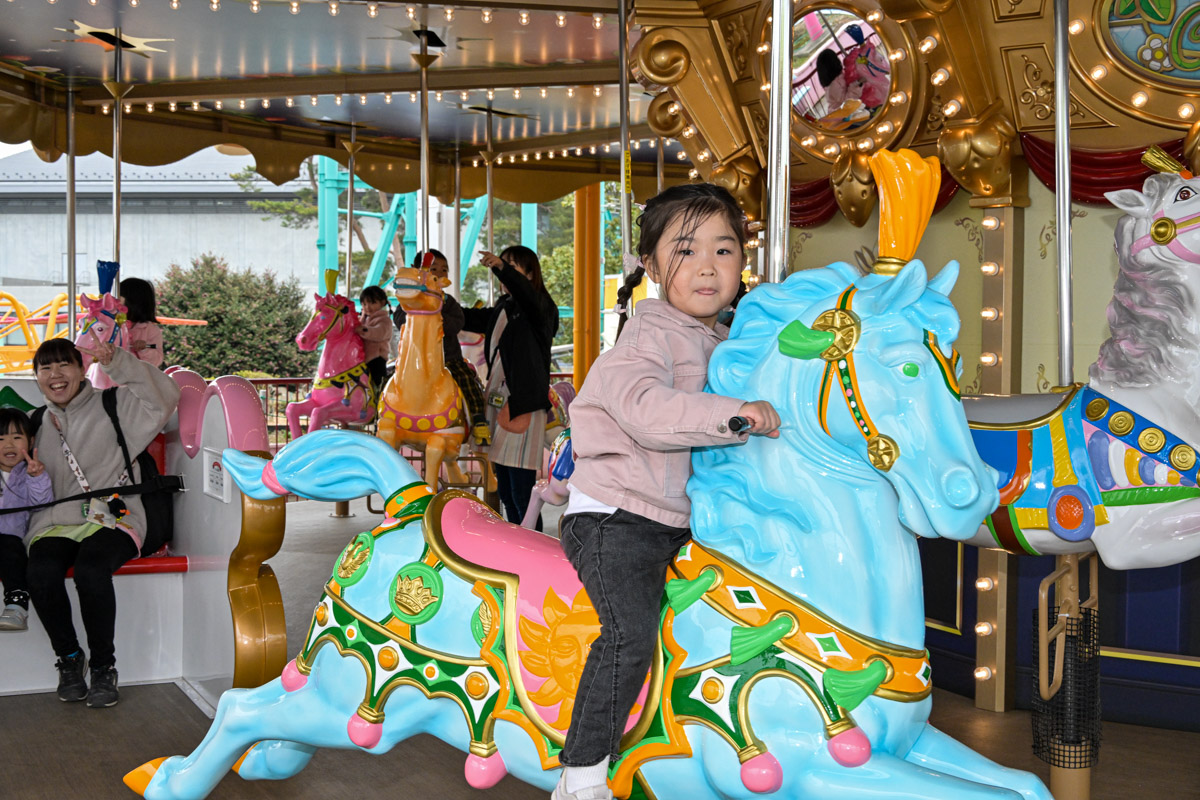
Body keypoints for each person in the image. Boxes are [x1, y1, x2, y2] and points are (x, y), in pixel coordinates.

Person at [553, 184, 780, 800]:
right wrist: (737, 413)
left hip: (682, 520)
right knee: (629, 633)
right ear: (650, 266)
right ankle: (582, 773)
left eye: (723, 250)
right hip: (618, 516)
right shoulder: (646, 338)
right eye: (685, 250)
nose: (708, 266)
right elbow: (648, 412)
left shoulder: (725, 341)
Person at [25, 335, 180, 708]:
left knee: (92, 569)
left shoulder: (115, 405)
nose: (55, 374)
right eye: (45, 367)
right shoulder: (34, 422)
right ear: (36, 376)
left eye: (64, 364)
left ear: (82, 370)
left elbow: (166, 397)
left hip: (113, 518)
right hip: (55, 523)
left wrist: (117, 362)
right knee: (40, 571)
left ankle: (102, 667)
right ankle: (69, 658)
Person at [462, 246, 559, 529]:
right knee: (505, 489)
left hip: (522, 403)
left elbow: (527, 295)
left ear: (530, 274)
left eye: (513, 267)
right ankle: (515, 540)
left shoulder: (540, 307)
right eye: (504, 266)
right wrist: (434, 299)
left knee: (521, 490)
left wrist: (501, 268)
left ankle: (531, 543)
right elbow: (468, 318)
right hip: (498, 400)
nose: (504, 273)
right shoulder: (505, 307)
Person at [394, 249, 491, 446]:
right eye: (433, 269)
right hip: (414, 361)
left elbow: (458, 322)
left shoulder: (448, 302)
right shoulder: (409, 301)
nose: (439, 273)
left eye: (444, 270)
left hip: (448, 359)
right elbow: (399, 318)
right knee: (392, 381)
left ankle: (479, 420)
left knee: (467, 380)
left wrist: (434, 316)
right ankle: (384, 415)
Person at [0, 408, 52, 632]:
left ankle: (17, 605)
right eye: (0, 439)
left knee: (8, 546)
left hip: (14, 541)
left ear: (30, 442)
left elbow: (41, 503)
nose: (8, 445)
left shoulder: (30, 471)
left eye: (16, 437)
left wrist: (37, 478)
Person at [118, 277, 163, 368]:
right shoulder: (113, 324)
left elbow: (157, 361)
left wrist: (144, 349)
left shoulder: (150, 330)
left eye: (119, 299)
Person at [357, 285, 392, 398]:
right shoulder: (364, 319)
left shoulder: (384, 320)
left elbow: (379, 332)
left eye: (372, 303)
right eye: (364, 304)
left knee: (377, 387)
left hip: (376, 359)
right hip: (363, 360)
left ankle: (379, 401)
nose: (367, 307)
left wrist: (363, 330)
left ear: (382, 303)